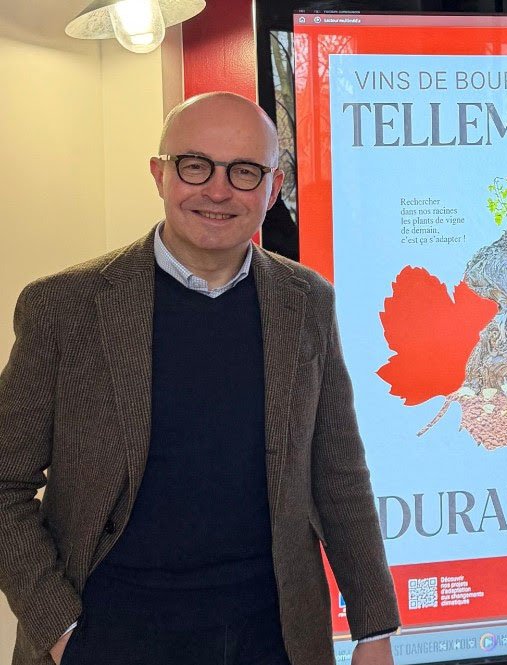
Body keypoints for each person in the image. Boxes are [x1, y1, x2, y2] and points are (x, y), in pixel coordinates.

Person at [0, 92, 399, 665]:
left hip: (274, 639)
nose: (218, 190)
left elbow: (337, 474)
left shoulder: (306, 301)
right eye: (195, 165)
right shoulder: (65, 307)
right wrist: (62, 629)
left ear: (273, 188)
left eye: (244, 171)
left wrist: (374, 628)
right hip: (107, 637)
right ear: (159, 175)